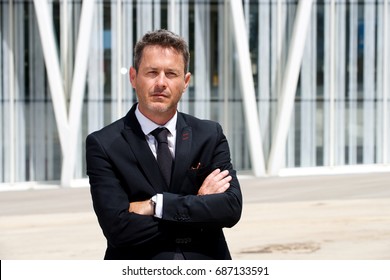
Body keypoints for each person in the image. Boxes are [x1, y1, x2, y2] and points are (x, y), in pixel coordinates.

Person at [86, 29, 242, 260]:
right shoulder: (104, 144)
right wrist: (199, 204)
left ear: (185, 81)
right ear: (133, 77)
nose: (161, 82)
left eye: (171, 73)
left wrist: (156, 205)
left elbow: (230, 209)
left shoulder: (209, 135)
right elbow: (118, 229)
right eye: (151, 72)